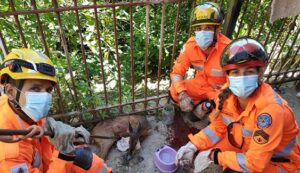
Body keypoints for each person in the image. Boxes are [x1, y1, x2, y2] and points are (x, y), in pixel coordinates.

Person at [175, 37, 300, 172]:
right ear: (227, 75)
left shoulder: (270, 112)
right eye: (235, 72)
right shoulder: (226, 95)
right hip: (244, 144)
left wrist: (215, 156)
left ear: (260, 73)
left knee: (230, 168)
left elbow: (255, 163)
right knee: (207, 150)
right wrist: (193, 145)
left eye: (249, 72)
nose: (242, 78)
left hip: (278, 163)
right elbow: (218, 127)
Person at [0, 48, 111, 173]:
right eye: (36, 88)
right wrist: (65, 153)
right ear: (10, 91)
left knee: (90, 161)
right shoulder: (10, 156)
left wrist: (66, 133)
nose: (44, 96)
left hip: (47, 160)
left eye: (48, 90)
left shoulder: (18, 108)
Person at [169, 2, 231, 121]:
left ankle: (206, 106)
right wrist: (182, 95)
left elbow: (233, 84)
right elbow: (177, 73)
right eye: (199, 28)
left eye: (208, 27)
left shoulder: (229, 50)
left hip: (220, 91)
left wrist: (210, 104)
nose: (203, 33)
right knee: (174, 91)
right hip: (200, 85)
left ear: (217, 28)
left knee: (223, 113)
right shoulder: (190, 45)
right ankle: (199, 104)